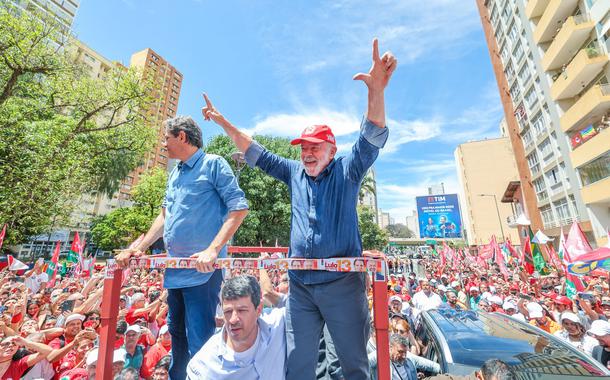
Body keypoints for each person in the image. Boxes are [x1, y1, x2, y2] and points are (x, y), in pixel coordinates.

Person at [202, 38, 396, 380]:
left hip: (342, 285)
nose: (307, 153)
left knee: (352, 365)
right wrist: (223, 123)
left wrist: (375, 91)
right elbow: (255, 152)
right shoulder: (294, 172)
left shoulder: (349, 170)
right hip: (301, 288)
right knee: (298, 365)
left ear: (331, 149)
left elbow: (372, 136)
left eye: (315, 147)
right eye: (303, 148)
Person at [115, 116, 249, 379]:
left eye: (167, 138)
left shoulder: (214, 164)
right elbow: (165, 215)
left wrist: (213, 249)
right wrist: (139, 247)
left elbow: (239, 208)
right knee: (176, 337)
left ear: (182, 137)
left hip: (202, 272)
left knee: (199, 340)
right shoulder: (175, 172)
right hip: (175, 271)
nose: (164, 144)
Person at [187, 275, 286, 379]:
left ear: (259, 309)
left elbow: (300, 304)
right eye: (228, 312)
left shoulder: (278, 324)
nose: (233, 320)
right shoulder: (204, 366)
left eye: (242, 311)